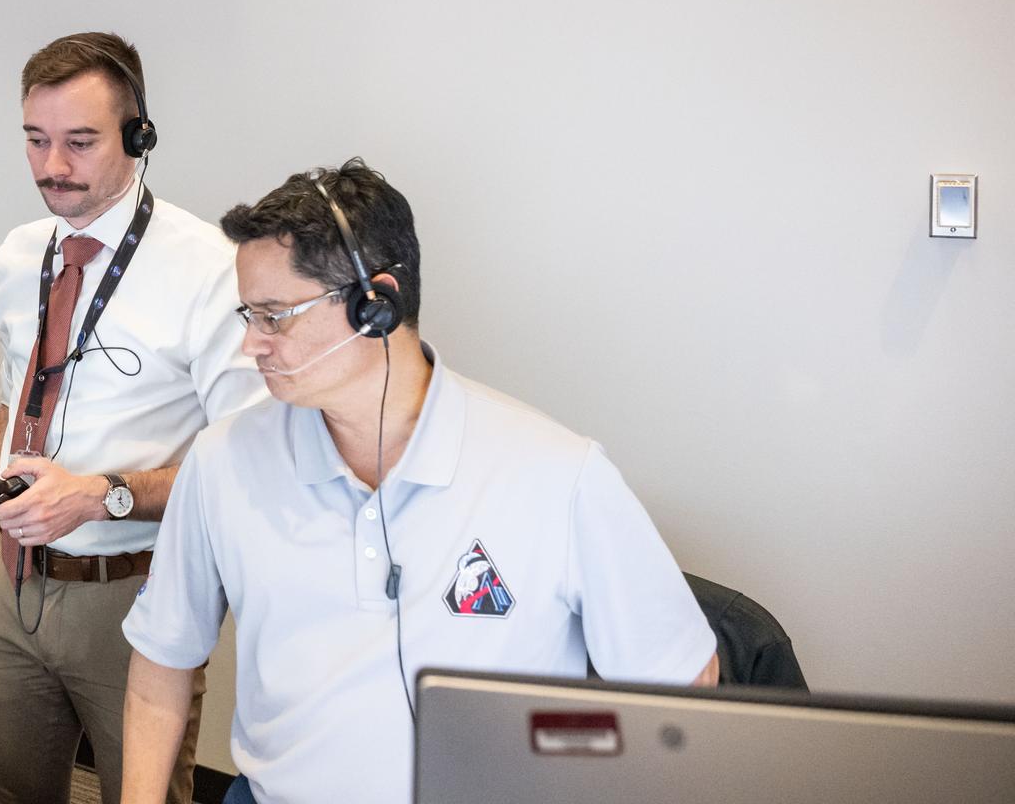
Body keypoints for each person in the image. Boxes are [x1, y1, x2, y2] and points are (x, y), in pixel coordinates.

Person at [121, 160, 720, 804]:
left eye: (275, 317)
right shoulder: (221, 463)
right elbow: (162, 666)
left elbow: (683, 688)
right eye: (248, 315)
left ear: (375, 303)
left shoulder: (558, 475)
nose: (251, 345)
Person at [0, 33, 265, 804]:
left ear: (138, 138)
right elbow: (15, 392)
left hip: (135, 591)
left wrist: (102, 495)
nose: (52, 166)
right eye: (36, 140)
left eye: (79, 142)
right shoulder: (16, 256)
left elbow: (251, 457)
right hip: (12, 577)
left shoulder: (211, 268)